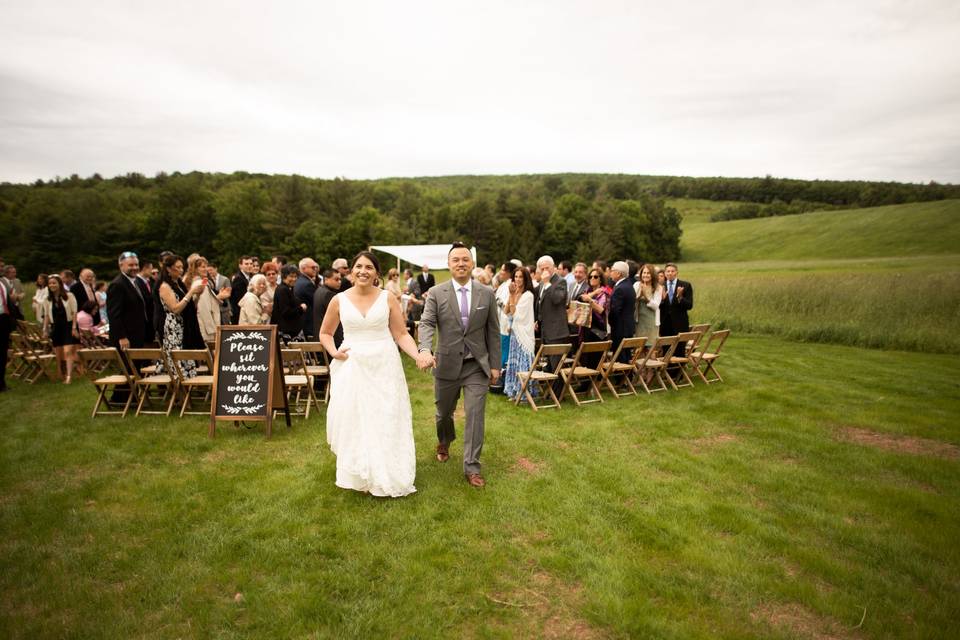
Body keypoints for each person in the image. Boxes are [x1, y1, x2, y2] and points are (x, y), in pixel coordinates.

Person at [319, 251, 426, 497]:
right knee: (357, 420)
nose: (362, 271)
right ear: (350, 271)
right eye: (358, 266)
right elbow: (325, 332)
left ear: (377, 273)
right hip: (353, 366)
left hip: (384, 365)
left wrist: (419, 354)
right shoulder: (339, 300)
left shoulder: (388, 298)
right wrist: (334, 352)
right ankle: (361, 473)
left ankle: (388, 473)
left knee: (386, 416)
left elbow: (400, 334)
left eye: (368, 267)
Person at [417, 243, 501, 488]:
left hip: (477, 365)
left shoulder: (486, 293)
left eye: (465, 259)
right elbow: (426, 323)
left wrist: (495, 365)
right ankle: (444, 441)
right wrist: (424, 349)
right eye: (456, 260)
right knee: (443, 413)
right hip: (446, 364)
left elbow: (493, 331)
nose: (461, 263)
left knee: (475, 415)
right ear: (449, 264)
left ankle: (472, 467)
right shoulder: (435, 292)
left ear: (472, 263)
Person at [156, 254, 206, 378]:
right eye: (177, 267)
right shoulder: (164, 286)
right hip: (174, 328)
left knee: (187, 356)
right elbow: (175, 308)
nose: (181, 270)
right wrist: (191, 291)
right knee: (178, 360)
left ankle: (188, 384)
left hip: (184, 326)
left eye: (182, 267)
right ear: (168, 269)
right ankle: (180, 388)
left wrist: (197, 295)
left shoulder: (178, 284)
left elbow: (188, 306)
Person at [107, 251, 153, 351]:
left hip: (139, 334)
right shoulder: (117, 285)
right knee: (129, 366)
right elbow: (114, 314)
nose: (135, 268)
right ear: (121, 266)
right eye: (131, 265)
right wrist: (122, 337)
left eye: (136, 264)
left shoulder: (137, 281)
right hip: (126, 338)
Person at [502, 266, 536, 402]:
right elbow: (506, 311)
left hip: (524, 334)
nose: (518, 279)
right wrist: (511, 295)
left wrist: (512, 299)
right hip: (515, 335)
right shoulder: (514, 292)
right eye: (516, 276)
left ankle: (524, 393)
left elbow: (516, 314)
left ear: (526, 278)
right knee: (514, 362)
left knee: (523, 362)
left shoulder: (528, 295)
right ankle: (514, 391)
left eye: (520, 277)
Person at [534, 255, 568, 386]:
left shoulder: (560, 281)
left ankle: (558, 395)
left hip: (557, 331)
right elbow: (539, 304)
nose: (544, 271)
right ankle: (549, 393)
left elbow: (556, 299)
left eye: (547, 268)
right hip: (544, 330)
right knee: (547, 365)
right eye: (542, 269)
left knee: (556, 366)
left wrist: (548, 283)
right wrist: (537, 319)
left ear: (553, 267)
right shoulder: (541, 283)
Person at [40, 275, 79, 383]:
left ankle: (69, 376)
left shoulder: (69, 296)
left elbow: (74, 312)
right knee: (59, 353)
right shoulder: (47, 300)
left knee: (68, 351)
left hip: (68, 326)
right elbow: (47, 315)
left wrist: (74, 327)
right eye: (50, 283)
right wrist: (45, 329)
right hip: (55, 327)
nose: (52, 285)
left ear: (59, 284)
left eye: (54, 283)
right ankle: (61, 373)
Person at [577, 267, 612, 371]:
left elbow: (602, 310)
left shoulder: (605, 293)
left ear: (600, 279)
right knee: (585, 358)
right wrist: (592, 294)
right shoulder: (587, 291)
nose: (592, 278)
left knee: (595, 360)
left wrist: (590, 301)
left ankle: (594, 384)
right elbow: (580, 298)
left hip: (598, 330)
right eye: (590, 276)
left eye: (595, 276)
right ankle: (586, 383)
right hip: (586, 329)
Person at [659, 262, 694, 357]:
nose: (670, 273)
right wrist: (661, 300)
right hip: (665, 324)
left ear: (676, 272)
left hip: (680, 324)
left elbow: (690, 305)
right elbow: (658, 306)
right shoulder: (660, 286)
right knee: (666, 351)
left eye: (672, 271)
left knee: (679, 351)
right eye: (668, 271)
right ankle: (666, 371)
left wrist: (680, 298)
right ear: (665, 273)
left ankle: (678, 371)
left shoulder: (685, 285)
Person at [187, 254, 221, 343]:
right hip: (205, 329)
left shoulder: (203, 281)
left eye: (206, 266)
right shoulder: (199, 284)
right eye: (202, 267)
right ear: (196, 269)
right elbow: (203, 309)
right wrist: (212, 330)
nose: (206, 269)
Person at [608, 261, 637, 363]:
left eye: (612, 270)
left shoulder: (620, 288)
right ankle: (627, 378)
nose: (610, 273)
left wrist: (610, 322)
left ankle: (622, 378)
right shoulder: (628, 285)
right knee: (626, 354)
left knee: (620, 357)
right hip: (627, 326)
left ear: (619, 273)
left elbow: (615, 310)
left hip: (620, 328)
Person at [271, 264, 306, 344]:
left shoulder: (289, 288)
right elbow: (285, 311)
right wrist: (301, 308)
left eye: (296, 276)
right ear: (284, 276)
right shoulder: (283, 290)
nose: (294, 279)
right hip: (286, 333)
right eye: (291, 276)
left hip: (290, 331)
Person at [634, 263, 663, 347]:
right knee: (639, 348)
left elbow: (655, 306)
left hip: (652, 321)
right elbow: (632, 302)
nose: (645, 275)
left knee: (651, 348)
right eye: (644, 273)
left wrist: (646, 297)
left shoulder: (658, 287)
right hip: (639, 321)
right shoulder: (636, 285)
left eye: (648, 273)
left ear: (652, 275)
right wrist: (639, 296)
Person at [313, 269, 342, 347]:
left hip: (320, 334)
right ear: (326, 279)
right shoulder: (329, 294)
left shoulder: (319, 290)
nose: (339, 282)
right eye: (336, 279)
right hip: (330, 337)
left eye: (340, 279)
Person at [295, 258, 320, 338]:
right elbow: (317, 302)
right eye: (313, 267)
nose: (315, 269)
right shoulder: (306, 284)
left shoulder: (301, 281)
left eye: (316, 267)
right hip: (309, 323)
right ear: (303, 268)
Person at [230, 256, 255, 323]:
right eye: (246, 264)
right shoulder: (238, 279)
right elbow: (241, 299)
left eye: (251, 264)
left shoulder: (249, 277)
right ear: (240, 266)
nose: (249, 266)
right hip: (239, 314)